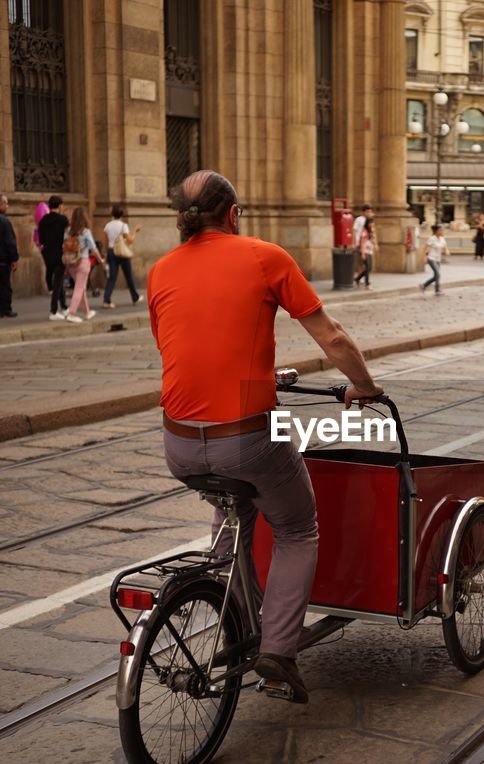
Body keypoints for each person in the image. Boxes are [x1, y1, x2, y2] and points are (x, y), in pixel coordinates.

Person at [150, 170, 383, 703]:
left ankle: (233, 616)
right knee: (298, 527)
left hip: (178, 444)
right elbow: (333, 337)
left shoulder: (161, 270)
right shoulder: (264, 256)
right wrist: (364, 387)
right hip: (248, 433)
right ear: (232, 214)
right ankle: (277, 652)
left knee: (232, 503)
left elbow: (183, 349)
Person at [63, 206, 104, 323]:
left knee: (81, 288)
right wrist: (100, 259)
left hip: (71, 263)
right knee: (79, 288)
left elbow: (64, 246)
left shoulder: (68, 231)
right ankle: (72, 313)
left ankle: (87, 312)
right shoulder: (85, 232)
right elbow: (93, 249)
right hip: (83, 262)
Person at [103, 205, 142, 308]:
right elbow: (130, 240)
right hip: (122, 252)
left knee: (112, 277)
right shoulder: (123, 226)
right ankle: (135, 298)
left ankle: (106, 300)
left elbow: (105, 241)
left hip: (111, 251)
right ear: (121, 214)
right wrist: (135, 232)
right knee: (129, 276)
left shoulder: (107, 226)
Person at [37, 195, 69, 320]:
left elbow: (41, 240)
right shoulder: (63, 220)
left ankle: (65, 307)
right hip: (60, 253)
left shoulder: (43, 220)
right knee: (58, 283)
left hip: (47, 253)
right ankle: (53, 310)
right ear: (60, 205)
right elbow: (67, 236)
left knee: (58, 282)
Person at [422, 224, 449, 295]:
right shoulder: (432, 238)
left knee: (436, 276)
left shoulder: (442, 238)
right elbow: (425, 248)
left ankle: (424, 285)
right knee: (438, 274)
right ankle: (437, 290)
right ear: (436, 231)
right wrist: (424, 258)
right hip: (431, 258)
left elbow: (445, 246)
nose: (442, 231)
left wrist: (446, 251)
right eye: (441, 230)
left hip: (438, 259)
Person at [354, 218, 376, 288]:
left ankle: (357, 279)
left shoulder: (372, 231)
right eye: (370, 223)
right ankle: (367, 283)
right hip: (365, 251)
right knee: (367, 267)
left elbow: (373, 240)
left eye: (372, 222)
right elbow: (362, 243)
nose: (372, 224)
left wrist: (375, 244)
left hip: (370, 251)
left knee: (369, 268)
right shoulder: (364, 231)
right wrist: (363, 253)